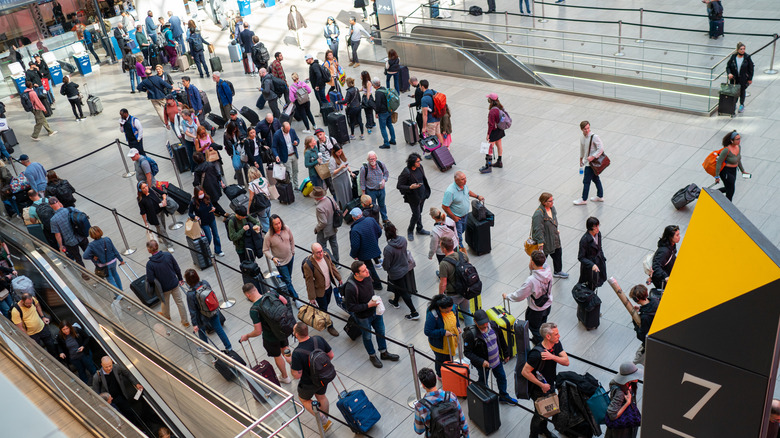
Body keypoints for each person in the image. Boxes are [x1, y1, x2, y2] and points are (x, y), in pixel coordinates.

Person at [343, 260, 400, 368]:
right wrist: (368, 305)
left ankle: (384, 352)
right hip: (363, 317)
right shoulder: (351, 287)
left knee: (381, 332)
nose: (367, 271)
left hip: (376, 311)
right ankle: (372, 355)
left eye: (366, 268)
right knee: (367, 337)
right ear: (357, 274)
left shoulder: (367, 276)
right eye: (364, 270)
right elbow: (351, 307)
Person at [521, 322, 569, 438]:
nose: (559, 336)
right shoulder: (536, 354)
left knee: (547, 412)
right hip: (539, 389)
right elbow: (525, 372)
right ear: (548, 336)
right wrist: (541, 385)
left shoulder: (556, 344)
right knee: (539, 414)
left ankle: (543, 429)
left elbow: (566, 361)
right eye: (556, 334)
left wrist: (552, 357)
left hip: (550, 385)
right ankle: (533, 435)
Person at [240, 283, 293, 383]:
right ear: (255, 289)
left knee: (277, 356)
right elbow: (285, 301)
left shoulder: (254, 309)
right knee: (285, 348)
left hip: (271, 337)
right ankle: (295, 368)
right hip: (282, 330)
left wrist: (247, 336)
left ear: (247, 295)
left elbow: (258, 331)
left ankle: (285, 377)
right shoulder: (271, 294)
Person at [287, 322, 334, 431]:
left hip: (309, 383)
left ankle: (322, 419)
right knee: (321, 396)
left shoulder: (297, 353)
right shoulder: (318, 339)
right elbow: (331, 355)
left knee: (303, 399)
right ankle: (326, 420)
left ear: (296, 335)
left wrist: (290, 362)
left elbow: (297, 375)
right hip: (323, 377)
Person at [463, 309, 517, 403]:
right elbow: (467, 352)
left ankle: (503, 396)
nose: (484, 326)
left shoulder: (493, 325)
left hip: (497, 360)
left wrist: (506, 353)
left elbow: (501, 339)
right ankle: (484, 399)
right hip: (483, 365)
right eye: (481, 325)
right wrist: (481, 361)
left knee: (501, 378)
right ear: (475, 322)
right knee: (483, 381)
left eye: (485, 323)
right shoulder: (470, 334)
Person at [503, 250, 553, 345]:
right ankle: (538, 339)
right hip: (547, 304)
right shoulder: (548, 271)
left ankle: (543, 344)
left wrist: (507, 296)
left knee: (533, 327)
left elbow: (519, 295)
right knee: (542, 324)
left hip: (536, 309)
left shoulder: (531, 280)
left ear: (533, 263)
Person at [413, 367, 469, 437]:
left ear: (423, 385)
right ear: (435, 380)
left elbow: (419, 430)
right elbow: (462, 421)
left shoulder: (420, 406)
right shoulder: (450, 396)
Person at [184, 269, 231, 350]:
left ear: (187, 281)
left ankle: (205, 348)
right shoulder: (204, 283)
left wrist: (194, 324)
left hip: (201, 317)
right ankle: (228, 347)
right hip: (212, 311)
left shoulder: (190, 294)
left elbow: (193, 311)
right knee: (219, 329)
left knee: (202, 332)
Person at [145, 239, 189, 326]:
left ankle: (167, 317)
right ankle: (185, 322)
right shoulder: (167, 255)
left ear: (149, 250)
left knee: (164, 302)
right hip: (174, 283)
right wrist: (180, 278)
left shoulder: (150, 264)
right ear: (157, 246)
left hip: (163, 288)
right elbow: (176, 267)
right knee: (180, 302)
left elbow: (150, 279)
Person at [301, 244, 342, 337]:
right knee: (324, 309)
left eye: (321, 251)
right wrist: (311, 297)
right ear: (312, 253)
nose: (321, 254)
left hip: (328, 288)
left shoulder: (326, 255)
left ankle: (323, 316)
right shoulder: (308, 265)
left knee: (325, 306)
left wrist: (338, 278)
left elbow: (332, 267)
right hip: (319, 292)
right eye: (318, 252)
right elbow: (309, 282)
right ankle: (330, 326)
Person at [382, 222, 419, 320]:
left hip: (395, 273)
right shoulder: (403, 240)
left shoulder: (388, 249)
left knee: (403, 292)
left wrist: (385, 267)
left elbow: (386, 265)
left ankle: (414, 312)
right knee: (399, 286)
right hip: (405, 268)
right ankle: (395, 301)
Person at [92, 357, 144, 423]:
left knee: (128, 412)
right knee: (118, 416)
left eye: (110, 366)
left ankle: (136, 425)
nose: (109, 368)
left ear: (112, 363)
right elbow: (96, 392)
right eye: (106, 367)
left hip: (120, 396)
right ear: (101, 365)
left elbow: (127, 374)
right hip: (110, 401)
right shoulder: (97, 377)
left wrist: (136, 383)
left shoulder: (116, 368)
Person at [437, 236, 474, 327]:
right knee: (467, 312)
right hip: (465, 290)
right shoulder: (462, 255)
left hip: (453, 295)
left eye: (440, 246)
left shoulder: (444, 264)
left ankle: (456, 334)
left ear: (444, 249)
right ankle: (472, 333)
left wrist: (440, 296)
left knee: (452, 316)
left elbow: (443, 283)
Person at [442, 171, 484, 248]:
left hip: (465, 216)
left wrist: (477, 196)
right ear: (456, 180)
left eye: (465, 178)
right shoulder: (450, 191)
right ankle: (460, 251)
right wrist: (454, 217)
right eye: (462, 179)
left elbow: (468, 192)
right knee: (458, 236)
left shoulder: (463, 185)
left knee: (461, 231)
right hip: (457, 218)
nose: (465, 180)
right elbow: (444, 206)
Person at [263, 215, 300, 301]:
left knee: (288, 278)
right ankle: (296, 299)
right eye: (276, 224)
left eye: (279, 223)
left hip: (290, 258)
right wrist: (273, 258)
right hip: (280, 263)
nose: (278, 225)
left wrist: (293, 251)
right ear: (272, 225)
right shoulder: (268, 236)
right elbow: (265, 250)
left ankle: (284, 289)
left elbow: (291, 239)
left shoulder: (286, 228)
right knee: (288, 281)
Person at [532, 192, 568, 279]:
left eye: (552, 200)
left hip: (554, 237)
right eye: (550, 201)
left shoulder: (552, 208)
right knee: (542, 259)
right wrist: (540, 242)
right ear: (544, 202)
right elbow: (538, 228)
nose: (552, 202)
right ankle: (537, 274)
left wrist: (555, 229)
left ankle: (558, 271)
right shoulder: (539, 213)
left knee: (558, 253)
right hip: (546, 241)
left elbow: (553, 221)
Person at [397, 153, 431, 242]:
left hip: (422, 195)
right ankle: (410, 230)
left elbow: (423, 179)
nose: (419, 163)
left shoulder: (420, 167)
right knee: (416, 215)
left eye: (419, 161)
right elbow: (399, 185)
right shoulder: (406, 172)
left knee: (420, 212)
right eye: (417, 161)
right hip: (413, 197)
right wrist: (410, 187)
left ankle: (419, 228)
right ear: (412, 162)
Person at [423, 294, 458, 377]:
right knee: (440, 360)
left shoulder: (452, 307)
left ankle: (449, 370)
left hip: (450, 341)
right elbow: (427, 331)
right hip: (439, 345)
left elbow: (455, 316)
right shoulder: (433, 315)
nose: (449, 312)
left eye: (450, 309)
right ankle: (440, 374)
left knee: (449, 358)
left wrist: (458, 326)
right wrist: (443, 332)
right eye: (447, 311)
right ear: (440, 307)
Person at [137, 181, 177, 253]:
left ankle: (160, 236)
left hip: (161, 211)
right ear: (140, 190)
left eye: (146, 186)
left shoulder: (152, 189)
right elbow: (143, 213)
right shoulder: (141, 199)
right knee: (162, 230)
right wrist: (146, 223)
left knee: (163, 227)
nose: (146, 188)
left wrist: (164, 200)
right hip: (153, 216)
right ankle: (169, 245)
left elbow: (163, 193)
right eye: (143, 188)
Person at [348, 208, 383, 290]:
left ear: (353, 217)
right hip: (374, 246)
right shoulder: (371, 220)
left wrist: (353, 255)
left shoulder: (355, 229)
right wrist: (374, 239)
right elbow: (379, 231)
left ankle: (377, 284)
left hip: (363, 253)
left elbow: (355, 245)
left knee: (370, 267)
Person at [605, 363, 643, 438]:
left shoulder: (624, 385)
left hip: (624, 425)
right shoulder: (620, 392)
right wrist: (627, 403)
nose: (637, 377)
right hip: (622, 429)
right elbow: (612, 415)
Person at [49, 197, 89, 267]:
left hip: (70, 242)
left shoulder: (53, 220)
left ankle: (85, 275)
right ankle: (101, 268)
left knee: (78, 258)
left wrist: (61, 246)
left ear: (50, 206)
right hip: (81, 236)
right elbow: (82, 216)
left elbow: (58, 235)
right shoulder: (70, 209)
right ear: (58, 202)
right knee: (90, 253)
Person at [83, 226, 125, 290]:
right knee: (115, 274)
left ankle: (119, 295)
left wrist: (93, 257)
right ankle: (121, 289)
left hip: (103, 265)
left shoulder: (91, 245)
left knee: (110, 279)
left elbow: (85, 256)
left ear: (91, 235)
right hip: (113, 261)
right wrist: (121, 260)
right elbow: (115, 250)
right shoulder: (107, 239)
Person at [574, 120, 605, 205]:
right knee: (595, 179)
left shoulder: (594, 137)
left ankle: (584, 199)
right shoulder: (582, 138)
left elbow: (601, 148)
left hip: (592, 163)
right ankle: (600, 196)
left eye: (588, 128)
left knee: (586, 181)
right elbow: (582, 148)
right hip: (587, 162)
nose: (587, 130)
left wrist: (593, 156)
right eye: (585, 129)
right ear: (581, 129)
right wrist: (581, 158)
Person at [189, 186, 225, 257]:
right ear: (196, 194)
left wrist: (213, 208)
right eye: (200, 194)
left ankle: (218, 250)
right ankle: (206, 251)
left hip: (211, 219)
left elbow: (211, 205)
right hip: (203, 222)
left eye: (202, 193)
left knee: (216, 235)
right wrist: (194, 216)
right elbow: (190, 213)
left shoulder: (207, 197)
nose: (202, 195)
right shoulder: (193, 202)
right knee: (208, 237)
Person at [715, 130, 750, 202]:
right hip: (726, 171)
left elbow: (738, 160)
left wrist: (742, 171)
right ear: (731, 140)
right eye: (737, 139)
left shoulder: (738, 147)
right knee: (731, 191)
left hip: (734, 171)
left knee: (729, 188)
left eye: (739, 138)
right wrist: (717, 176)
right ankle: (728, 207)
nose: (739, 140)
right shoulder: (726, 150)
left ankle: (714, 193)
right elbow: (719, 162)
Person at [628, 284, 658, 365]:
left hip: (650, 345)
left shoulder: (645, 318)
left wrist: (635, 320)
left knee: (637, 360)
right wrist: (641, 309)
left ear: (636, 299)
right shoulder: (655, 300)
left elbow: (642, 336)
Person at [359, 151, 390, 222]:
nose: (373, 160)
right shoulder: (364, 168)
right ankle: (375, 221)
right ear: (368, 160)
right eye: (370, 159)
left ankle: (385, 218)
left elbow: (386, 174)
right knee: (372, 207)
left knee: (382, 205)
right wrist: (363, 193)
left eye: (374, 158)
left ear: (376, 158)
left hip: (381, 190)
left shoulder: (381, 164)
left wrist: (384, 180)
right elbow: (362, 181)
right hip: (371, 191)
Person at [578, 216, 607, 290]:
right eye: (595, 227)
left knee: (598, 281)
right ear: (590, 228)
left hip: (599, 262)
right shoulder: (584, 240)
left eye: (598, 226)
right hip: (590, 267)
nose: (598, 229)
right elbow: (581, 257)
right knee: (591, 285)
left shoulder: (598, 234)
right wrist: (592, 264)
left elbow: (599, 248)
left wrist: (602, 258)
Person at [312, 187, 340, 263]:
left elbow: (323, 222)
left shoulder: (319, 207)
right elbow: (337, 208)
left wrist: (316, 229)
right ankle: (337, 261)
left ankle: (333, 262)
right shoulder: (330, 199)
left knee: (322, 246)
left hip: (325, 231)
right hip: (333, 226)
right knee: (334, 244)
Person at [481, 93, 506, 173]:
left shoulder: (492, 111)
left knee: (489, 148)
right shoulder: (500, 107)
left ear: (491, 100)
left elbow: (491, 125)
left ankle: (488, 166)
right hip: (500, 129)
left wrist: (488, 134)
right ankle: (499, 161)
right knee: (499, 145)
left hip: (494, 131)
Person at [272, 121, 301, 188]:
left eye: (289, 129)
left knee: (296, 171)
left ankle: (296, 186)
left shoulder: (292, 131)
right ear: (282, 128)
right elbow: (273, 147)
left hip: (294, 154)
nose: (288, 131)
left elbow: (297, 139)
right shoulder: (277, 134)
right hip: (286, 157)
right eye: (286, 130)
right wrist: (276, 155)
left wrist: (297, 142)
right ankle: (291, 187)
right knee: (289, 173)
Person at [651, 225, 679, 290]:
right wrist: (665, 276)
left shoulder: (672, 245)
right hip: (664, 281)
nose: (679, 237)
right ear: (670, 237)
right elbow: (656, 266)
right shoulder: (664, 251)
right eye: (677, 235)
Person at [372, 79, 396, 149]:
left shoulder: (378, 93)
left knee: (383, 128)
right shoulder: (384, 89)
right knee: (390, 125)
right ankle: (393, 140)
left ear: (374, 85)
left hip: (382, 113)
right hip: (389, 111)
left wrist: (377, 113)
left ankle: (386, 143)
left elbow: (378, 104)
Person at [247, 166, 272, 232]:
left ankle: (269, 235)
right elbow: (268, 186)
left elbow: (251, 199)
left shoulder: (252, 185)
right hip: (268, 202)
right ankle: (273, 231)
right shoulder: (264, 179)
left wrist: (248, 209)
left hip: (261, 206)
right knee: (269, 218)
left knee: (265, 222)